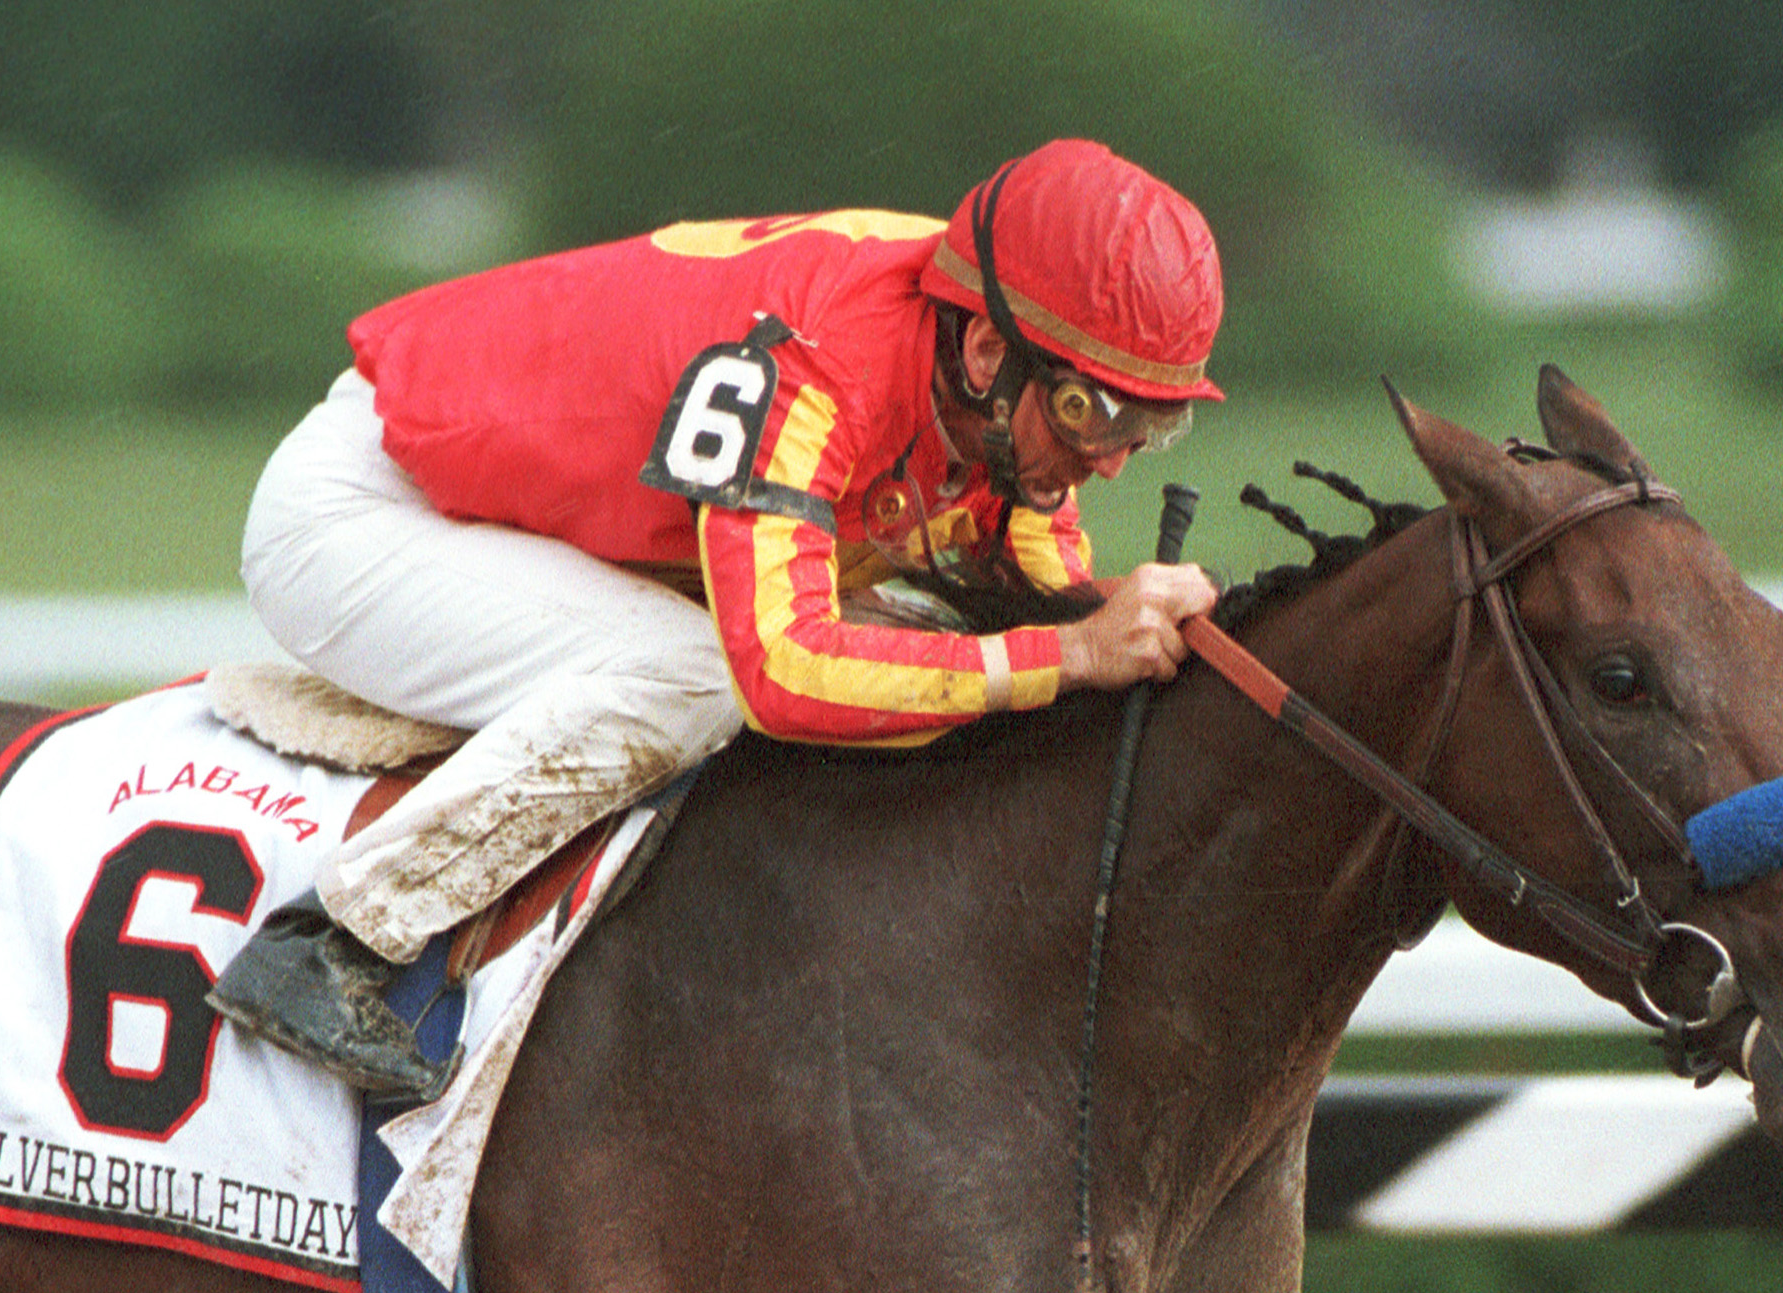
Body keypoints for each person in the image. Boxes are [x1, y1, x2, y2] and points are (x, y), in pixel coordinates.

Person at [208, 138, 1227, 1102]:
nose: (1107, 462)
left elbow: (1057, 618)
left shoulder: (1000, 395)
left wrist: (1129, 632)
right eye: (1090, 414)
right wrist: (1070, 651)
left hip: (526, 525)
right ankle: (336, 937)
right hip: (366, 511)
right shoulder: (818, 363)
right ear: (982, 347)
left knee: (932, 648)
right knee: (700, 675)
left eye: (1148, 427)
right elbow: (781, 670)